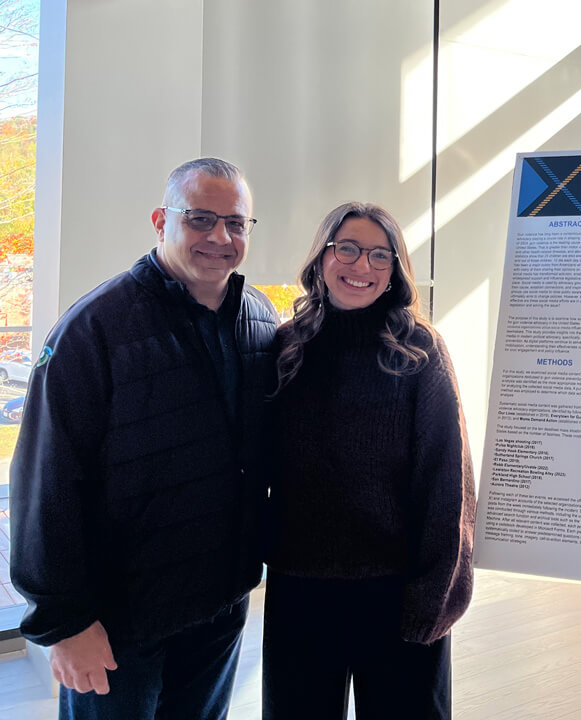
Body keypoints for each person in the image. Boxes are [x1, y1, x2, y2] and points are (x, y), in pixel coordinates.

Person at [9, 158, 278, 718]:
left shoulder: (258, 318)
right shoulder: (94, 328)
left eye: (235, 223)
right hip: (117, 621)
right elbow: (45, 479)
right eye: (200, 219)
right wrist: (65, 622)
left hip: (220, 604)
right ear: (161, 220)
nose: (220, 237)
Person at [262, 202, 475, 719]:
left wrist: (436, 598)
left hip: (397, 593)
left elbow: (449, 482)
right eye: (349, 249)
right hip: (300, 590)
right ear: (322, 256)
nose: (363, 266)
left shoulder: (420, 352)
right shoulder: (287, 348)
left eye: (381, 255)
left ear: (395, 269)